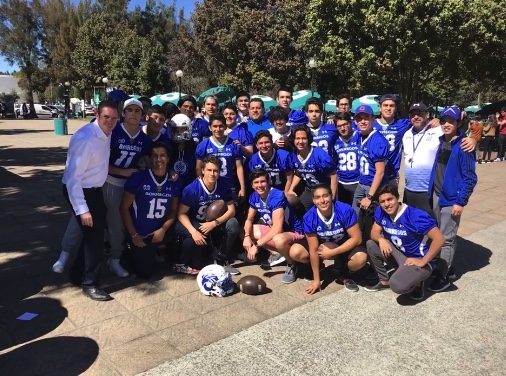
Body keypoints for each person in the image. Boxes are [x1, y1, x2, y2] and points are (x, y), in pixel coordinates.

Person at [61, 100, 119, 301]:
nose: (110, 122)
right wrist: (82, 209)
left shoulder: (106, 133)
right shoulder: (86, 138)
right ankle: (90, 284)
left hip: (94, 191)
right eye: (106, 118)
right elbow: (72, 178)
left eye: (113, 118)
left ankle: (77, 275)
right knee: (95, 240)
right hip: (80, 191)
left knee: (92, 235)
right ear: (96, 114)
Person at [364, 184, 445, 301]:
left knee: (397, 285)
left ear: (397, 197)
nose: (387, 204)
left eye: (390, 199)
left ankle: (418, 283)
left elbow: (439, 239)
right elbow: (374, 233)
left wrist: (423, 261)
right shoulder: (381, 211)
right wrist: (381, 240)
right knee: (371, 244)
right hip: (401, 255)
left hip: (419, 259)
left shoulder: (415, 216)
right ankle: (384, 281)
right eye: (382, 201)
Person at [427, 106, 477, 292]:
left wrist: (460, 201)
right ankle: (445, 267)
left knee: (447, 238)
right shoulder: (442, 141)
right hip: (436, 194)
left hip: (451, 199)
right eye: (444, 121)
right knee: (439, 235)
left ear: (458, 123)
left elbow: (470, 178)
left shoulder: (464, 146)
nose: (447, 124)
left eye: (451, 121)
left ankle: (444, 276)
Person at [104, 98, 152, 277]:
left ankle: (121, 253)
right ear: (123, 113)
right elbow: (98, 163)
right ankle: (114, 259)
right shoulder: (113, 131)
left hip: (130, 184)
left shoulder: (144, 139)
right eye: (129, 110)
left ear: (142, 115)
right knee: (116, 222)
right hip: (109, 181)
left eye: (137, 111)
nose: (133, 113)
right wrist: (122, 172)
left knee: (129, 219)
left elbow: (149, 162)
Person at [290, 184, 367, 294]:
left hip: (344, 244)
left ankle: (344, 271)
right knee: (295, 252)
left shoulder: (344, 209)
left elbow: (357, 238)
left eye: (325, 196)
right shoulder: (309, 217)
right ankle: (319, 267)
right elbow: (313, 249)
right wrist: (317, 280)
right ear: (313, 200)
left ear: (331, 196)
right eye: (317, 197)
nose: (322, 200)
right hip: (323, 245)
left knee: (361, 258)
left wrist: (333, 252)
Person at [120, 142, 180, 279]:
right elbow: (123, 208)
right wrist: (134, 235)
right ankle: (128, 251)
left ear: (168, 158)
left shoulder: (173, 181)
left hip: (161, 229)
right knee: (145, 273)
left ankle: (166, 251)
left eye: (163, 155)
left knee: (186, 231)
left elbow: (173, 210)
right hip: (141, 233)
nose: (159, 159)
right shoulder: (139, 178)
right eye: (155, 156)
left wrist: (163, 229)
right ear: (150, 159)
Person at [175, 155, 240, 275]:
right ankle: (181, 262)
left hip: (212, 223)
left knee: (233, 224)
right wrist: (193, 231)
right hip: (194, 221)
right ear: (203, 170)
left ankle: (221, 258)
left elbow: (231, 210)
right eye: (209, 170)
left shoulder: (223, 185)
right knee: (199, 262)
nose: (212, 174)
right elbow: (181, 213)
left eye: (215, 170)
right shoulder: (192, 189)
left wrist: (214, 223)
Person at [243, 168, 304, 277]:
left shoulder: (277, 195)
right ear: (252, 185)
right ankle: (278, 254)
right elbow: (249, 219)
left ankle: (292, 264)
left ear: (268, 182)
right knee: (244, 231)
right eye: (256, 182)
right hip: (277, 232)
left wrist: (256, 246)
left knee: (278, 239)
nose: (260, 185)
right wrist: (247, 236)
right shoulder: (254, 196)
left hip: (292, 232)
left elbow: (277, 228)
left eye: (262, 181)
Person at [196, 113, 246, 203]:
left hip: (229, 186)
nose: (218, 129)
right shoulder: (203, 145)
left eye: (220, 126)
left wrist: (242, 188)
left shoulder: (233, 144)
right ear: (210, 127)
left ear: (225, 126)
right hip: (210, 186)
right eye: (215, 126)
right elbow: (198, 168)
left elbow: (239, 167)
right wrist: (202, 186)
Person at [286, 125, 338, 211]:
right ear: (293, 140)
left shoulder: (319, 155)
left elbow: (334, 176)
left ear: (309, 139)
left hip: (324, 190)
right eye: (297, 138)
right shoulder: (293, 155)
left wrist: (331, 196)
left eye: (304, 138)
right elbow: (299, 172)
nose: (301, 141)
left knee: (328, 212)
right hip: (310, 189)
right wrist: (291, 189)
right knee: (292, 202)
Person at [352, 105, 389, 216]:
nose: (362, 121)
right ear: (355, 121)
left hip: (373, 186)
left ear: (373, 118)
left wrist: (369, 196)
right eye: (359, 118)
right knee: (354, 215)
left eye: (366, 117)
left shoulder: (377, 140)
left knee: (373, 219)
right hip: (362, 182)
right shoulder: (359, 135)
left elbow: (380, 171)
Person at [333, 112, 360, 206]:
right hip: (342, 184)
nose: (343, 128)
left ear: (351, 123)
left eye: (345, 124)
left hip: (358, 182)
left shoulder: (359, 136)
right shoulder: (334, 141)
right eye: (339, 126)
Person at [168, 113, 197, 189]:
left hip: (190, 187)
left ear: (189, 128)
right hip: (171, 187)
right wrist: (169, 171)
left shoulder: (195, 147)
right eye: (176, 129)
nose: (179, 132)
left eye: (182, 129)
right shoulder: (168, 146)